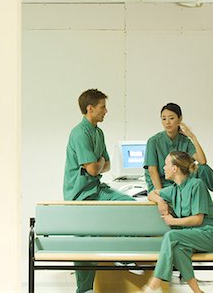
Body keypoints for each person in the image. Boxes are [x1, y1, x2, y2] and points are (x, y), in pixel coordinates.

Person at [63, 88, 134, 293]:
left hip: (96, 188)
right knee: (87, 241)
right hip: (80, 194)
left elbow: (106, 165)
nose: (106, 111)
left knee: (130, 206)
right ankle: (84, 289)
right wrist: (98, 164)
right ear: (90, 108)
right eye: (103, 107)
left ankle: (123, 256)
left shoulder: (98, 132)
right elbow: (95, 167)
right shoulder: (79, 133)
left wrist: (98, 163)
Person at [140, 151, 213, 293]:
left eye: (166, 165)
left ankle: (153, 285)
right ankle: (197, 291)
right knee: (177, 249)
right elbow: (151, 194)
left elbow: (198, 219)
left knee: (171, 236)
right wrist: (160, 201)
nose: (163, 168)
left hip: (210, 235)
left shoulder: (197, 185)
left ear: (175, 168)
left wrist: (173, 221)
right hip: (193, 237)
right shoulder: (174, 189)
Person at [144, 103, 213, 199]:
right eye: (164, 119)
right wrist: (161, 193)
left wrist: (193, 136)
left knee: (203, 169)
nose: (167, 122)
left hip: (181, 181)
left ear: (180, 119)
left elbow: (202, 161)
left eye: (171, 118)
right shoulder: (153, 141)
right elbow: (152, 170)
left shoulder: (184, 140)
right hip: (162, 184)